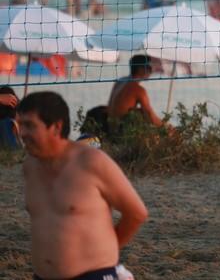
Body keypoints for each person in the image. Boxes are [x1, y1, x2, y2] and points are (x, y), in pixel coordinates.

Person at [19, 91, 148, 280]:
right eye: (20, 125)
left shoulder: (92, 162)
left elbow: (136, 213)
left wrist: (106, 253)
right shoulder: (30, 167)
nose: (22, 133)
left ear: (56, 127)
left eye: (29, 126)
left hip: (93, 274)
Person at [108, 54, 163, 129]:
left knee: (139, 112)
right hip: (120, 133)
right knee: (143, 115)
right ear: (140, 69)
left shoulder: (120, 80)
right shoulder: (138, 90)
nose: (151, 70)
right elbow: (151, 116)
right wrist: (168, 127)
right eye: (149, 67)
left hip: (110, 127)